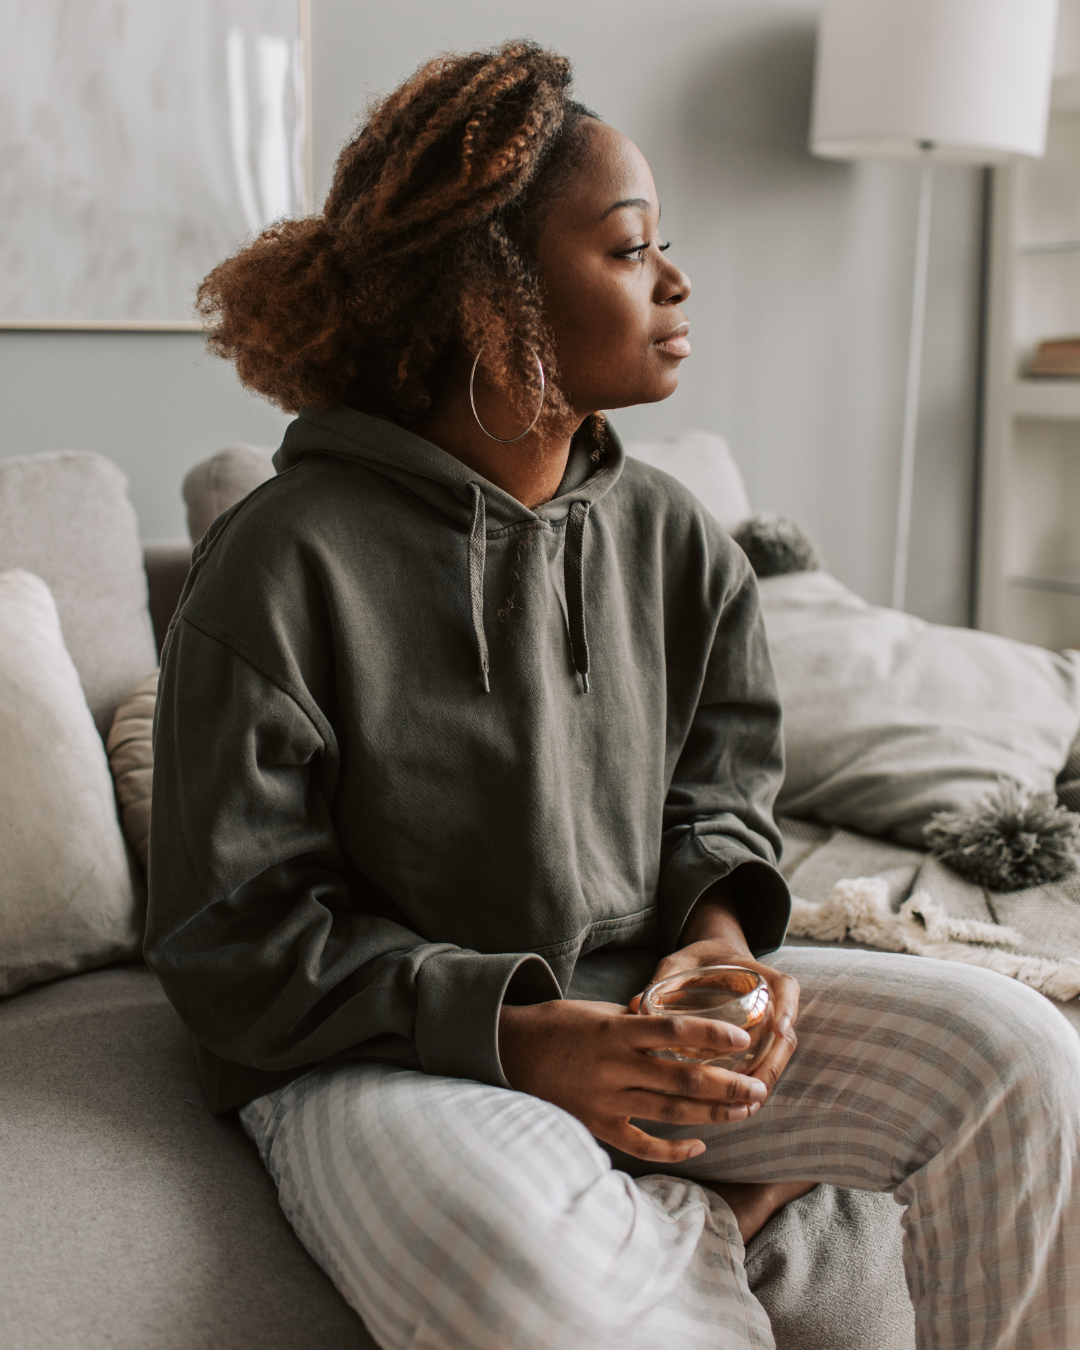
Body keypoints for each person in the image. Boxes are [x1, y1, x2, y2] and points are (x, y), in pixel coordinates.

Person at [147, 39, 1080, 1350]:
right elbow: (229, 934)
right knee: (517, 1277)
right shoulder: (278, 563)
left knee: (1020, 1058)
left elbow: (723, 782)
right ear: (496, 296)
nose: (680, 279)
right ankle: (721, 1224)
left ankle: (687, 1213)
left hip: (653, 1002)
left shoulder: (674, 535)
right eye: (633, 248)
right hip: (385, 1053)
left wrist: (714, 942)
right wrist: (522, 1036)